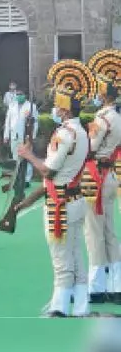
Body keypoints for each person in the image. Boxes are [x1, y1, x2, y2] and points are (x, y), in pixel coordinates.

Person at [13, 62, 92, 317]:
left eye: (58, 105)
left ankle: (59, 305)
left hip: (61, 204)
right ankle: (80, 305)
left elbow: (48, 171)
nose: (55, 109)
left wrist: (28, 155)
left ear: (65, 109)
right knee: (76, 255)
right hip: (77, 198)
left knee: (60, 257)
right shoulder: (82, 132)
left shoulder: (63, 135)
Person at [81, 59, 121, 304]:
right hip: (111, 174)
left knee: (93, 231)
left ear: (104, 94)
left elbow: (90, 146)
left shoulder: (102, 118)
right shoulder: (117, 116)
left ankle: (96, 286)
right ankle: (116, 283)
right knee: (109, 231)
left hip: (96, 174)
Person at [2, 87, 38, 185]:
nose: (19, 96)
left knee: (27, 157)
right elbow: (8, 121)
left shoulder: (31, 106)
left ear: (25, 95)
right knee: (15, 157)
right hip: (14, 135)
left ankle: (27, 179)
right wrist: (6, 135)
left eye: (20, 94)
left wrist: (32, 137)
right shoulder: (12, 105)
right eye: (17, 94)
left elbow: (35, 122)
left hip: (26, 136)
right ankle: (17, 177)